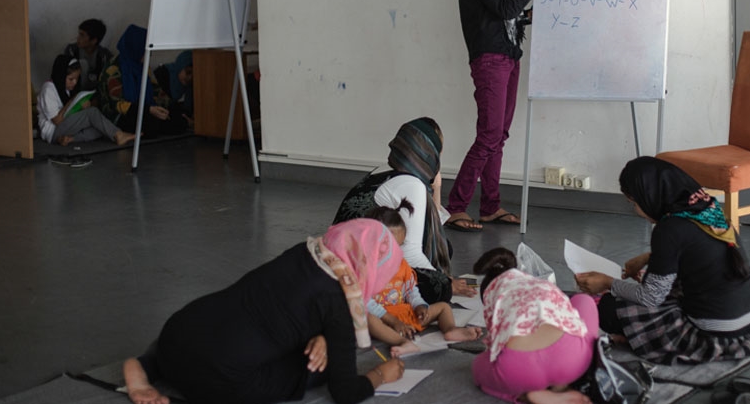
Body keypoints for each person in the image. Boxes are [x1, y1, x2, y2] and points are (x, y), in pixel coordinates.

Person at [121, 219, 407, 404]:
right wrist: (381, 374)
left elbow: (295, 306)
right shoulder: (341, 303)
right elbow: (345, 392)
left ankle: (145, 366)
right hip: (216, 380)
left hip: (174, 336)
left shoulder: (305, 251)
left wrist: (323, 335)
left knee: (224, 330)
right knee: (317, 367)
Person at [575, 156, 750, 364]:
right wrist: (649, 258)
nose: (637, 211)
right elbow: (698, 251)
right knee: (655, 290)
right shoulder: (707, 208)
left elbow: (650, 298)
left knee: (606, 309)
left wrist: (608, 282)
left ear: (649, 196)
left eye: (634, 203)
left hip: (711, 332)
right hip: (748, 321)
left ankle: (637, 339)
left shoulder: (668, 228)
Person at [446, 0, 552, 230]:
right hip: (490, 59)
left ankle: (490, 206)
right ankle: (455, 207)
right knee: (489, 135)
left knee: (498, 136)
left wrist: (535, 13)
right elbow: (506, 8)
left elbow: (509, 14)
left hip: (508, 55)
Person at [334, 117, 476, 303]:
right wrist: (445, 283)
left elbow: (431, 230)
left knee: (444, 248)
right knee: (436, 286)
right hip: (358, 273)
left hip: (341, 258)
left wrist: (436, 186)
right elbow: (410, 252)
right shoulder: (411, 184)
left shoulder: (384, 170)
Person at [472, 247, 597, 404]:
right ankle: (563, 384)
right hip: (573, 362)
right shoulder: (541, 285)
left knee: (478, 368)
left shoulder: (497, 300)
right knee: (585, 300)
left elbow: (495, 348)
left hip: (521, 371)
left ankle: (524, 395)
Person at [365, 200, 484, 357]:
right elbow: (364, 302)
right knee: (369, 320)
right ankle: (401, 341)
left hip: (403, 314)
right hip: (382, 318)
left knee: (443, 307)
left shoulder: (401, 264)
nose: (395, 253)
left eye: (399, 246)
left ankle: (450, 330)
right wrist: (393, 322)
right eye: (389, 247)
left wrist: (420, 305)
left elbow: (410, 290)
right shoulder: (364, 267)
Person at [99, 24, 187, 138]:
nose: (148, 55)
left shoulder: (142, 67)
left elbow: (157, 91)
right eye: (145, 50)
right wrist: (148, 110)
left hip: (144, 110)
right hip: (118, 115)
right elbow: (117, 105)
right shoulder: (113, 70)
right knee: (151, 125)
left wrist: (171, 108)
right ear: (135, 47)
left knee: (177, 118)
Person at [36, 54, 136, 147]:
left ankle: (68, 139)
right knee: (92, 113)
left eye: (77, 79)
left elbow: (70, 114)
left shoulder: (66, 88)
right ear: (61, 76)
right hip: (53, 131)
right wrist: (71, 102)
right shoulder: (48, 89)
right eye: (71, 79)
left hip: (64, 129)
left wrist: (81, 106)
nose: (74, 83)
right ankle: (118, 135)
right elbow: (57, 121)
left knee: (100, 128)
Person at [63, 18, 113, 92]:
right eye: (79, 34)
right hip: (74, 91)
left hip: (95, 93)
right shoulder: (72, 50)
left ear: (93, 40)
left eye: (82, 35)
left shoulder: (104, 56)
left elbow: (106, 81)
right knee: (83, 64)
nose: (78, 38)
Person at [153, 50, 194, 123]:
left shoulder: (187, 87)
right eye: (188, 72)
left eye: (194, 75)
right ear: (180, 66)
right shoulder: (162, 75)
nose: (190, 78)